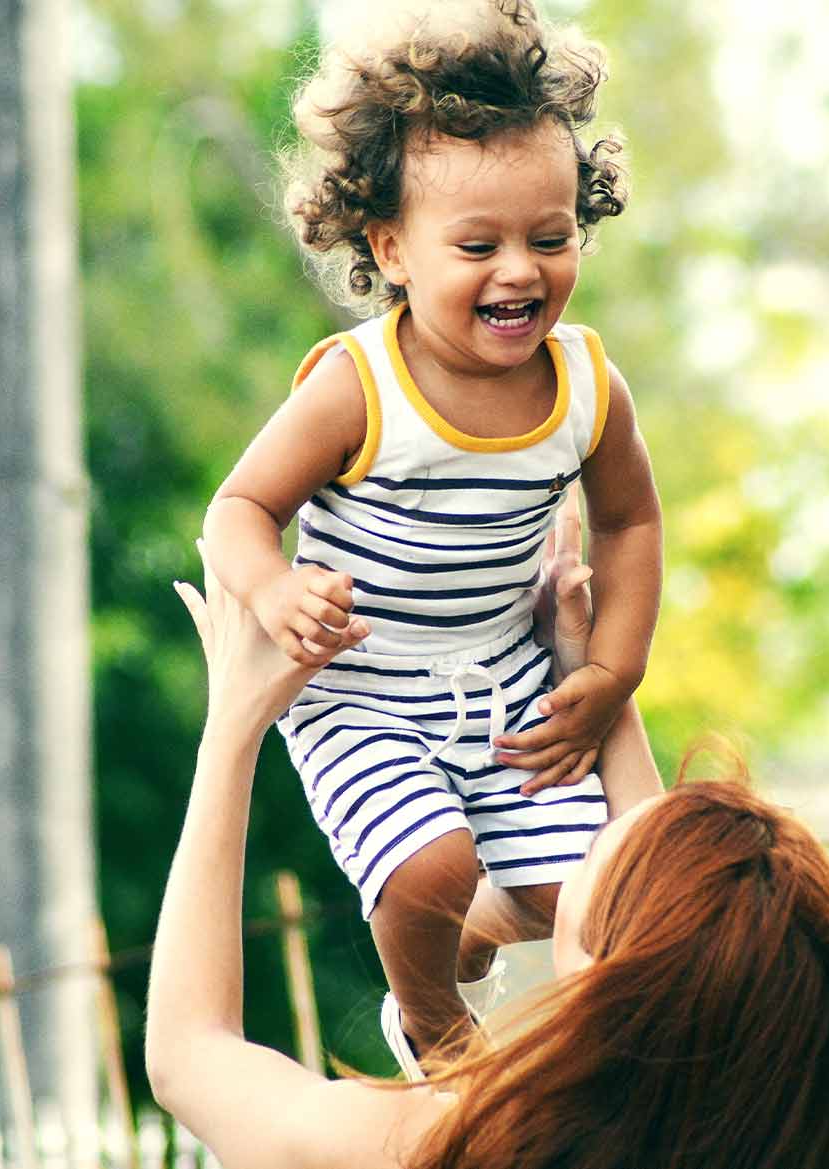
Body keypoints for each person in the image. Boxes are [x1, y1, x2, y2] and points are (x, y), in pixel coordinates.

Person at [148, 535, 829, 1169]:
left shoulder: (455, 1146)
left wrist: (234, 725)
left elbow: (189, 1055)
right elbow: (672, 914)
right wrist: (583, 674)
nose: (578, 847)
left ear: (601, 978)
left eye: (589, 861)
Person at [200, 0, 662, 1074]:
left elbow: (632, 519)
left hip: (500, 679)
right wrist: (271, 591)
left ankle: (456, 930)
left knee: (574, 894)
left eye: (551, 238)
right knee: (424, 867)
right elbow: (235, 509)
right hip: (358, 689)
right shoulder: (359, 388)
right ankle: (436, 1032)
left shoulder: (588, 385)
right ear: (389, 246)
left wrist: (612, 667)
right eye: (478, 244)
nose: (520, 271)